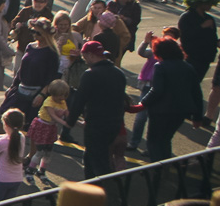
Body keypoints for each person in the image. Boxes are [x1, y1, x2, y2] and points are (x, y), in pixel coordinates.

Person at [67, 40, 129, 179]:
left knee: (96, 162)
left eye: (84, 57)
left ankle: (100, 191)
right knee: (96, 156)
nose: (85, 60)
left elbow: (79, 101)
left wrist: (70, 121)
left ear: (90, 55)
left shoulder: (90, 74)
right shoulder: (118, 73)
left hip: (96, 125)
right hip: (115, 124)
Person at [141, 37, 200, 162]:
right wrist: (197, 116)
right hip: (180, 111)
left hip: (161, 111)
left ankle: (157, 170)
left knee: (154, 141)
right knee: (166, 139)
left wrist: (143, 103)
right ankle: (166, 166)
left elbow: (157, 90)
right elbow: (196, 92)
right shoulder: (188, 67)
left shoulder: (160, 67)